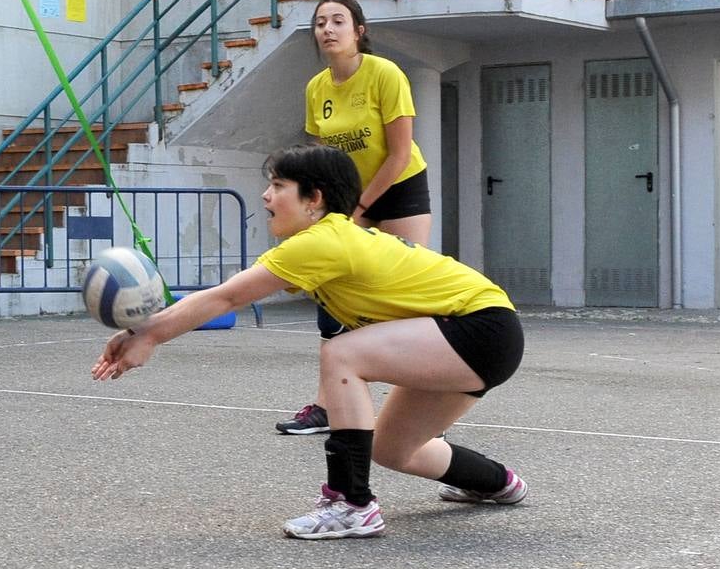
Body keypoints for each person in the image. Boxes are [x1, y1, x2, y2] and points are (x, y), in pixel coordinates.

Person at [92, 144, 525, 540]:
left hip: (478, 326)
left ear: (314, 198)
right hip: (488, 335)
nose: (266, 196)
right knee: (393, 449)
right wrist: (141, 332)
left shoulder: (320, 242)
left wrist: (149, 334)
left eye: (279, 185)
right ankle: (497, 483)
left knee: (342, 354)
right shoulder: (332, 238)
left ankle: (351, 504)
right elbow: (225, 295)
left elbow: (227, 297)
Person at [276, 0, 433, 435]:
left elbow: (398, 154)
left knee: (406, 299)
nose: (327, 29)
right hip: (347, 198)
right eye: (320, 22)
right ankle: (327, 408)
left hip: (399, 187)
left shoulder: (385, 74)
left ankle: (423, 412)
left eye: (338, 21)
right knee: (334, 295)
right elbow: (321, 160)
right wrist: (320, 212)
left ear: (358, 31)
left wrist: (359, 211)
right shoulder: (316, 88)